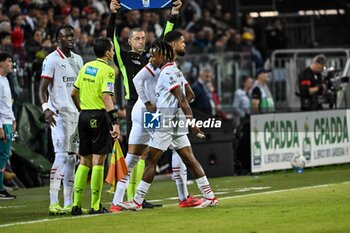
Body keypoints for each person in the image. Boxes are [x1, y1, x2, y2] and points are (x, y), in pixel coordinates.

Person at [117, 40, 218, 211]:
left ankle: (137, 201)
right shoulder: (176, 70)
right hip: (175, 120)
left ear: (162, 55)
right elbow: (190, 94)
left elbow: (183, 98)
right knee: (189, 159)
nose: (150, 59)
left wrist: (190, 120)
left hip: (166, 122)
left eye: (153, 55)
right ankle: (210, 196)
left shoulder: (166, 73)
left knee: (150, 159)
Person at [107, 0, 183, 209]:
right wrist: (113, 14)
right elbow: (111, 37)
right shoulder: (123, 58)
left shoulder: (154, 57)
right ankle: (135, 198)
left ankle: (130, 199)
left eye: (143, 38)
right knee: (151, 151)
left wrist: (173, 14)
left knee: (141, 154)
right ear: (129, 41)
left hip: (152, 108)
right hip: (137, 107)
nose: (141, 41)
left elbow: (166, 39)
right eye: (137, 39)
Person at [71, 37, 120, 215]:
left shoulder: (85, 67)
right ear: (107, 52)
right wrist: (115, 122)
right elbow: (107, 97)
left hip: (83, 115)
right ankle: (96, 205)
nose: (113, 52)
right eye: (112, 50)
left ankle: (76, 205)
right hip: (99, 116)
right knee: (99, 160)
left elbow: (73, 93)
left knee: (84, 160)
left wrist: (81, 109)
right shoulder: (108, 71)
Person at [38, 25, 83, 215]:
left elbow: (79, 89)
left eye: (72, 36)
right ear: (58, 39)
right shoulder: (51, 60)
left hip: (76, 115)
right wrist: (46, 109)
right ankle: (53, 201)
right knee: (62, 156)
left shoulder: (78, 59)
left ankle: (69, 202)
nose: (70, 39)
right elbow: (41, 89)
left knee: (72, 159)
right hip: (59, 115)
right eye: (66, 36)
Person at [0, 52, 16, 199]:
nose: (11, 64)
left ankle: (1, 187)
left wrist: (13, 120)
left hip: (8, 122)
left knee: (4, 156)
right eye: (9, 61)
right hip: (2, 124)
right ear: (1, 63)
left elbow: (6, 105)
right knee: (2, 156)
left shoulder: (5, 80)